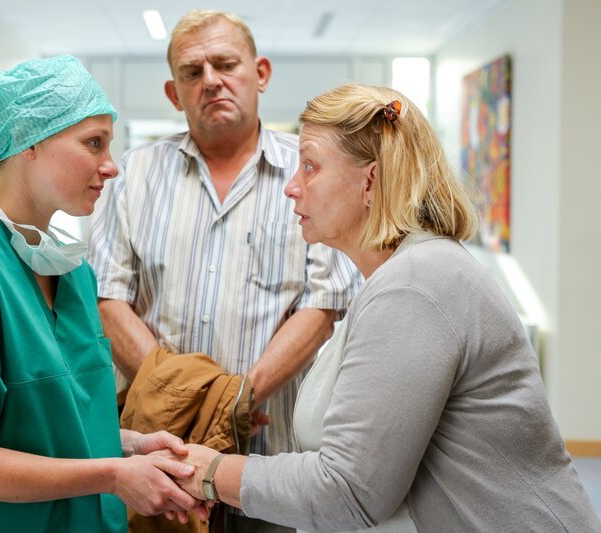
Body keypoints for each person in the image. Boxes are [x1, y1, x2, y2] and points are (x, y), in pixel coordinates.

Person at [171, 84, 601, 532]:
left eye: (310, 166)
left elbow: (347, 491)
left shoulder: (415, 286)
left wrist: (211, 472)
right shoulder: (401, 276)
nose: (292, 188)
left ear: (371, 181)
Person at [0, 55, 209, 532]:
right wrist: (114, 474)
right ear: (29, 140)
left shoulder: (72, 271)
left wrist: (129, 447)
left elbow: (49, 425)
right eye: (93, 143)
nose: (111, 167)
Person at [88, 12, 359, 529]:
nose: (210, 80)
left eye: (226, 64)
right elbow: (108, 298)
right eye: (192, 72)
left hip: (271, 463)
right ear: (174, 93)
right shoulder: (133, 176)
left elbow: (323, 306)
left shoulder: (309, 174)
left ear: (261, 73)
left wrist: (236, 400)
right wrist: (193, 400)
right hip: (160, 458)